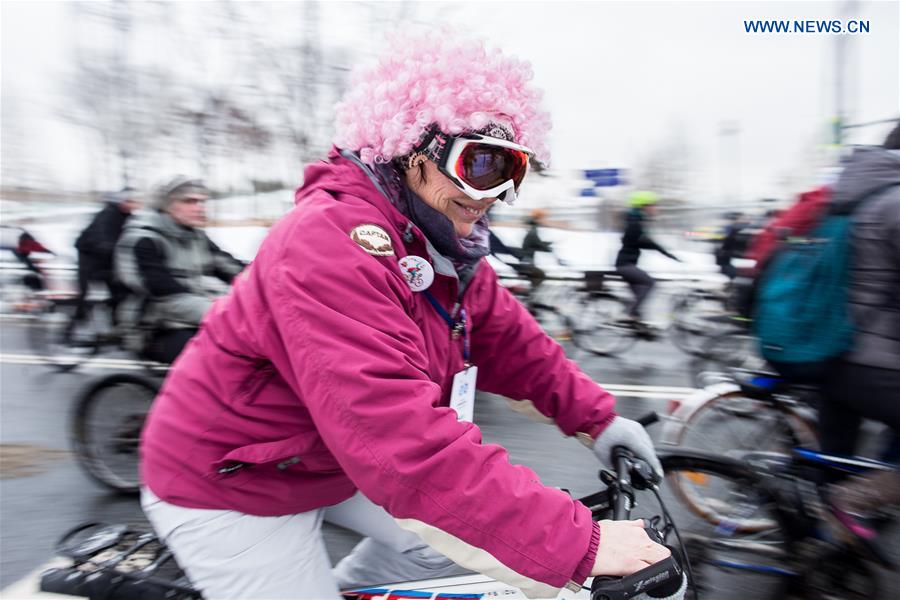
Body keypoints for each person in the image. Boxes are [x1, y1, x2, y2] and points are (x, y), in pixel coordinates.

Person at [138, 30, 669, 600]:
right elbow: (401, 443)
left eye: (512, 170)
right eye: (480, 162)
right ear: (411, 147)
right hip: (232, 481)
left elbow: (512, 341)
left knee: (446, 558)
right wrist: (582, 547)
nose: (493, 193)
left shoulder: (438, 244)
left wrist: (597, 419)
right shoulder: (326, 244)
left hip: (327, 459)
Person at [820, 124, 900, 515]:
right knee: (849, 491)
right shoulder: (894, 201)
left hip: (830, 349)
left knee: (836, 465)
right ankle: (853, 507)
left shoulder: (849, 196)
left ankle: (821, 548)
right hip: (875, 358)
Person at [114, 176, 244, 364]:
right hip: (153, 327)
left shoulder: (196, 236)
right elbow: (165, 294)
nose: (199, 207)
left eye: (202, 201)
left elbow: (231, 268)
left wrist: (267, 284)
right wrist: (224, 312)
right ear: (168, 205)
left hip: (192, 318)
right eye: (189, 201)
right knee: (214, 360)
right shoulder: (144, 239)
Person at [72, 188, 141, 329]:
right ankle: (75, 326)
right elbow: (103, 240)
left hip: (106, 259)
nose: (134, 205)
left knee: (118, 291)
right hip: (89, 256)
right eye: (130, 201)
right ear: (121, 202)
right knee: (86, 293)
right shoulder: (108, 215)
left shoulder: (126, 216)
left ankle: (115, 322)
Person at [614, 191, 680, 324]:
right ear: (642, 207)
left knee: (640, 295)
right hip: (625, 265)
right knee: (650, 283)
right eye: (652, 205)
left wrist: (664, 252)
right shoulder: (634, 223)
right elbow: (642, 241)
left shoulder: (636, 221)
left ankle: (636, 322)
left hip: (628, 264)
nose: (655, 208)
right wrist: (666, 253)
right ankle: (629, 315)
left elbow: (643, 241)